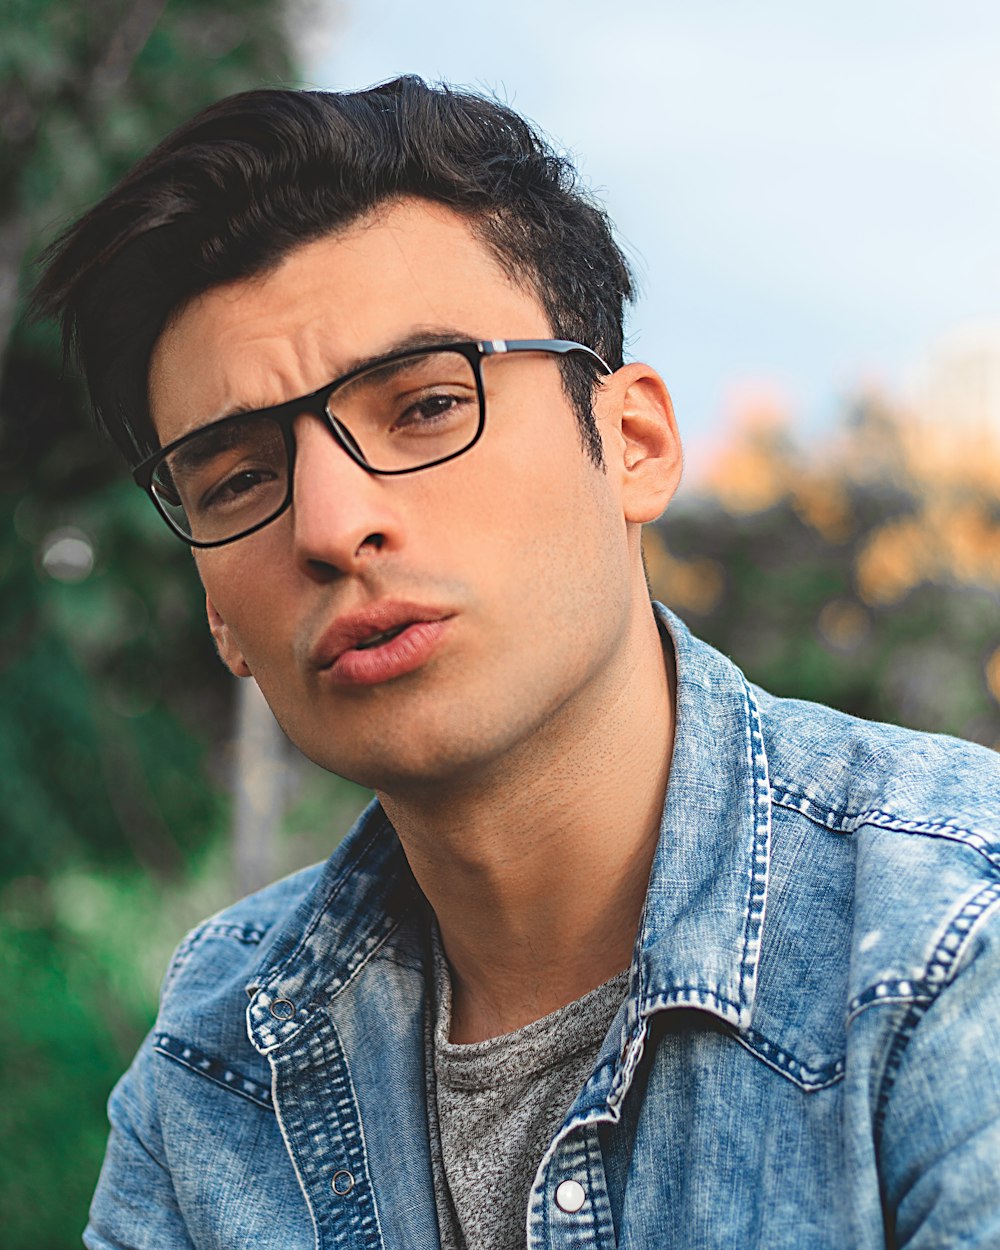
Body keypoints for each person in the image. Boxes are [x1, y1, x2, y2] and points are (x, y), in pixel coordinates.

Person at [34, 76, 1000, 1250]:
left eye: (428, 406)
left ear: (633, 445)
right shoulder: (222, 1051)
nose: (331, 525)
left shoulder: (948, 936)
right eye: (237, 478)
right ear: (217, 614)